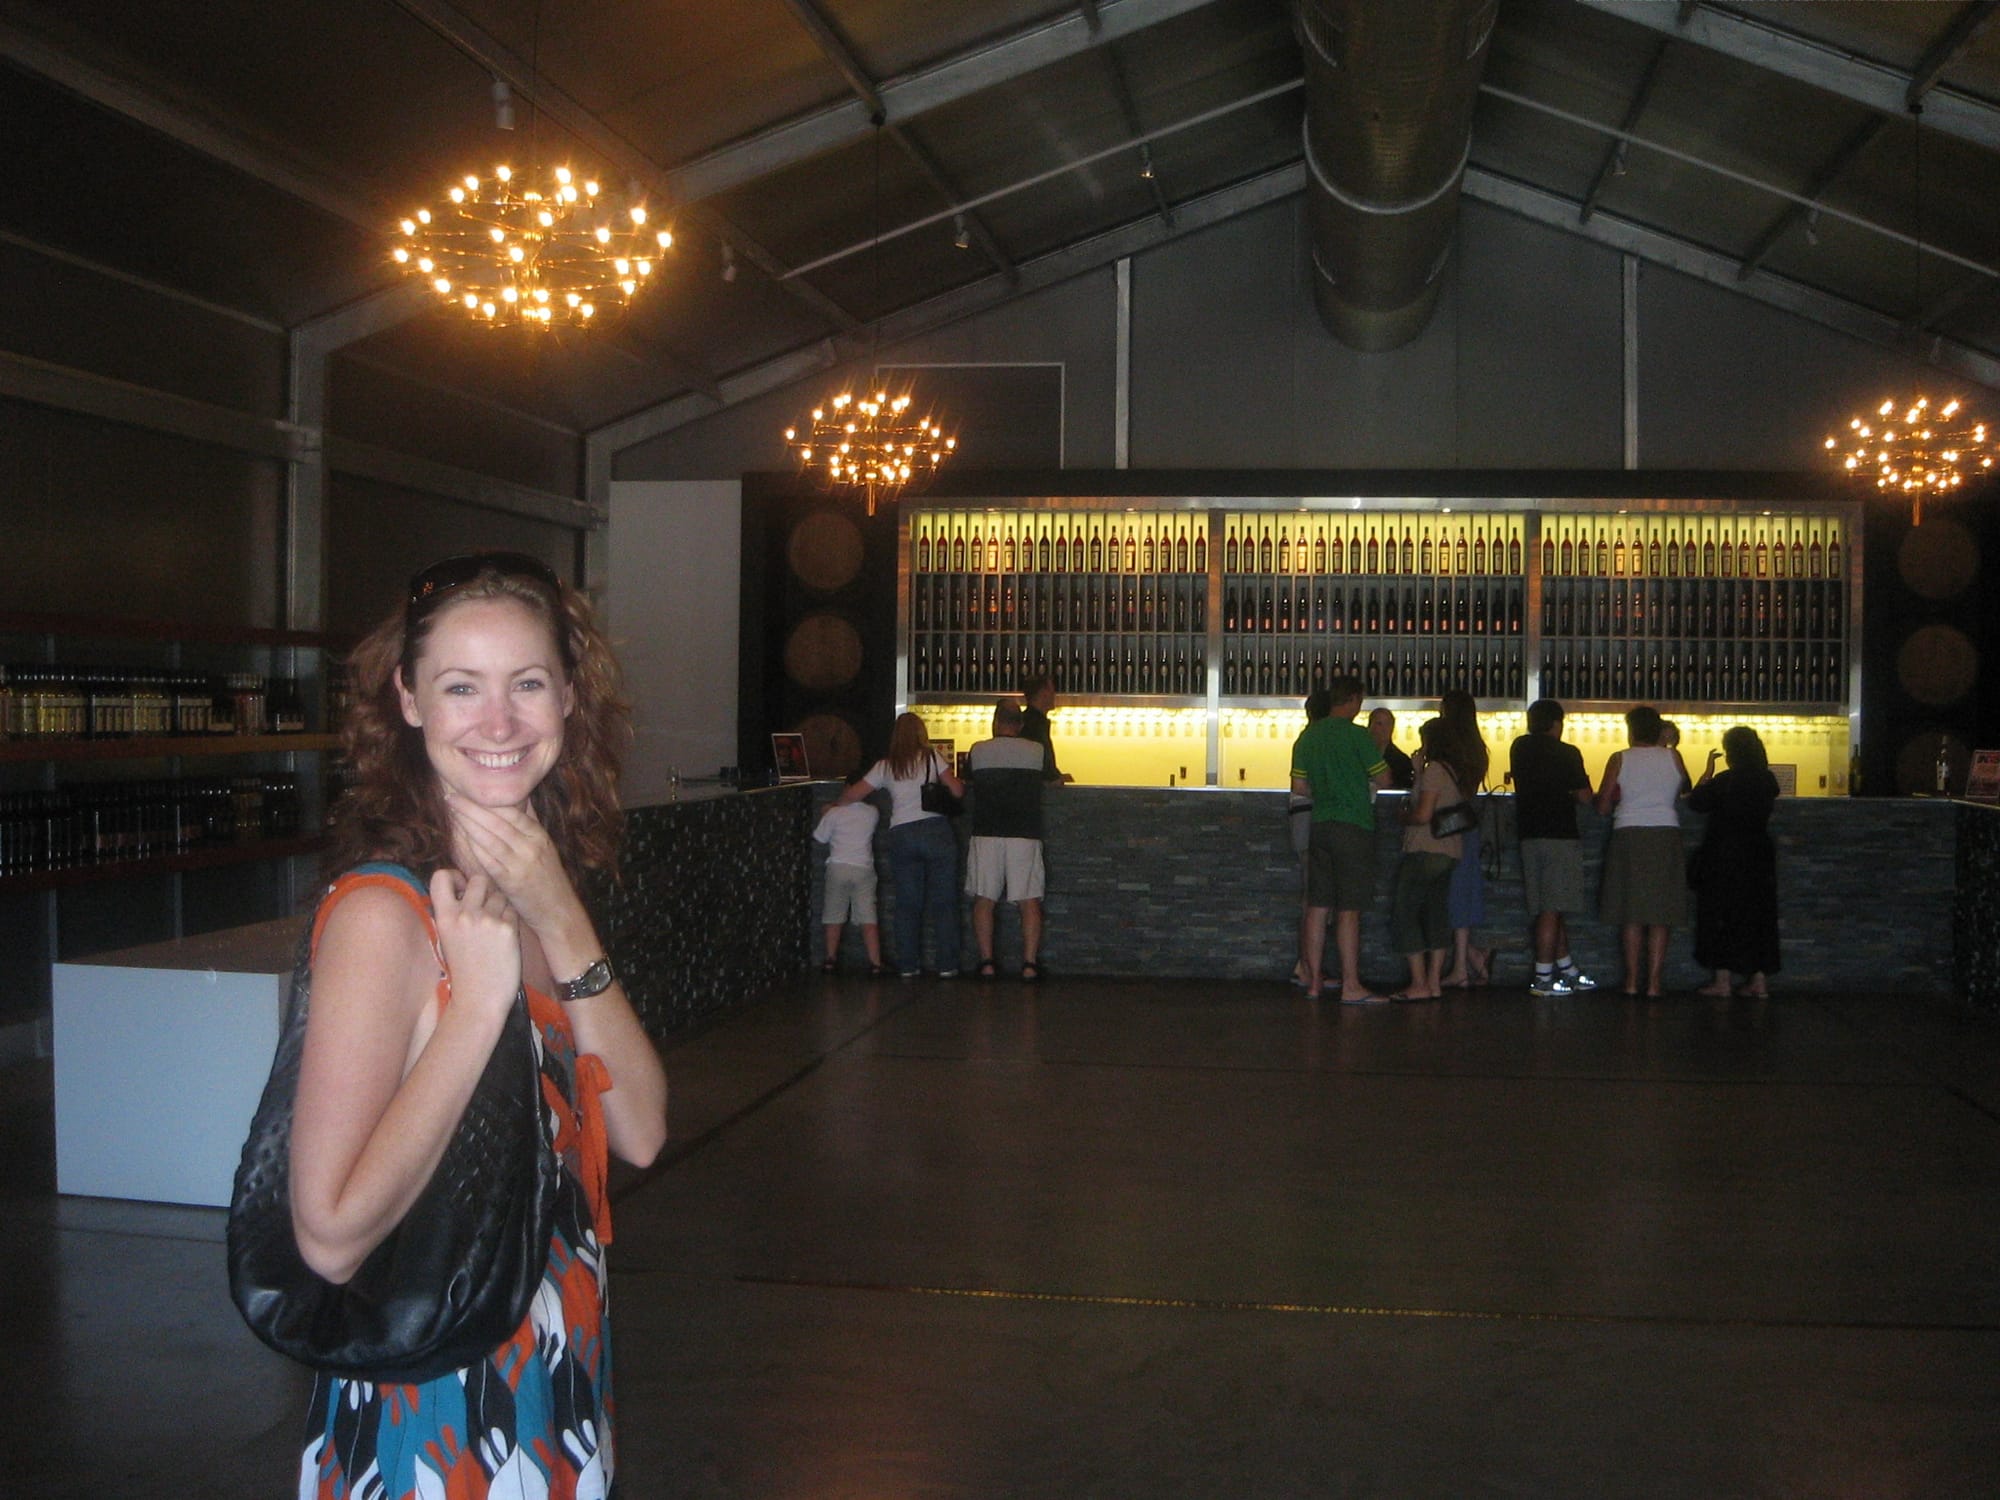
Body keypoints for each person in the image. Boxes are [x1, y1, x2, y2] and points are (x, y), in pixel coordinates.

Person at [291, 551, 668, 1499]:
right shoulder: (384, 917)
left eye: (527, 684)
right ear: (408, 700)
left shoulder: (542, 901)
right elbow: (328, 1236)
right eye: (461, 687)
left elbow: (642, 1131)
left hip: (558, 1368)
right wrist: (476, 1007)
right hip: (439, 1407)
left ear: (569, 697)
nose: (499, 723)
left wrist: (560, 913)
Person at [836, 712, 965, 978]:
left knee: (907, 904)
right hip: (936, 831)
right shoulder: (932, 757)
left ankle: (908, 965)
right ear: (921, 733)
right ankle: (947, 965)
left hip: (902, 835)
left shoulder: (886, 766)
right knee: (944, 903)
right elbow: (957, 791)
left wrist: (835, 805)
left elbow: (854, 794)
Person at [1290, 673, 1391, 1003]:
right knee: (1349, 909)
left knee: (1317, 906)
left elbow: (1299, 787)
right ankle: (1351, 986)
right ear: (1354, 700)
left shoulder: (1307, 738)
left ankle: (1313, 982)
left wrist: (1326, 791)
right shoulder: (1358, 736)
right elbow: (1385, 779)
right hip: (1354, 825)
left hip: (1320, 825)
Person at [1595, 704, 1691, 997]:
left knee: (1631, 911)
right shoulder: (1673, 757)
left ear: (1631, 730)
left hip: (1628, 834)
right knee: (1661, 913)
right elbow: (1684, 790)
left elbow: (1602, 806)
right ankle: (1654, 985)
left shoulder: (1619, 758)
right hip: (1666, 834)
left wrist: (1617, 797)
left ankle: (1631, 982)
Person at [1508, 699, 1601, 996]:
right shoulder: (1567, 753)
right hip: (1559, 835)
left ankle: (1568, 969)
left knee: (1550, 906)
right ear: (1557, 723)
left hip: (1529, 835)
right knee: (1552, 908)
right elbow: (1585, 797)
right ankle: (1543, 978)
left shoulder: (1519, 747)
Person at [1688, 725, 1782, 997]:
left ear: (1731, 752)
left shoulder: (1726, 781)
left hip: (1724, 855)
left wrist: (1707, 773)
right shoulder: (1767, 780)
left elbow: (1697, 802)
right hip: (1759, 854)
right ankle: (1758, 981)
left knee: (1722, 915)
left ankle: (1723, 982)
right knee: (1759, 915)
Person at [1389, 716, 1474, 1000]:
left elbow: (1423, 814)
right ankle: (1434, 982)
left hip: (1426, 849)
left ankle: (1419, 983)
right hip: (1450, 851)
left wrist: (1404, 817)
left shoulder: (1435, 769)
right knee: (1437, 914)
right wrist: (1417, 771)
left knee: (1405, 911)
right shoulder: (1454, 770)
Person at [965, 700, 1050, 979]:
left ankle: (987, 963)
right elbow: (1052, 780)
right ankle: (1029, 965)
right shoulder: (1036, 750)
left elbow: (968, 782)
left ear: (995, 722)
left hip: (986, 833)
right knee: (1029, 900)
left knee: (984, 899)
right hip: (1024, 834)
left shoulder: (978, 750)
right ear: (1021, 724)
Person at [1436, 688, 1492, 988]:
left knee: (1448, 894)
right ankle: (1468, 959)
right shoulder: (1476, 747)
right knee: (1462, 892)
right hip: (1466, 822)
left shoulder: (1446, 747)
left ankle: (1460, 967)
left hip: (1445, 825)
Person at [814, 772, 885, 975]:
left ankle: (830, 959)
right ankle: (876, 963)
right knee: (868, 916)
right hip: (863, 868)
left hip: (837, 867)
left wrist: (828, 810)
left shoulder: (834, 813)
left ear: (845, 788)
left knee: (833, 914)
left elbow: (820, 837)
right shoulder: (872, 812)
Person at [1291, 687, 1336, 987]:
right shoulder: (1319, 740)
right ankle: (1307, 968)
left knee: (1313, 893)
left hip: (1301, 817)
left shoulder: (1305, 739)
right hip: (1312, 816)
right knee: (1316, 894)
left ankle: (1306, 965)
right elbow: (1302, 785)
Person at [1019, 673, 1075, 784]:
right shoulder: (1035, 726)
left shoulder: (1027, 722)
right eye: (1051, 691)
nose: (1054, 695)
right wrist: (1054, 778)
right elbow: (1042, 763)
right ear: (1043, 693)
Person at [1368, 707, 1414, 790]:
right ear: (1370, 726)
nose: (1384, 729)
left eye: (1388, 724)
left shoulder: (1401, 760)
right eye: (1379, 724)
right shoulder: (1359, 754)